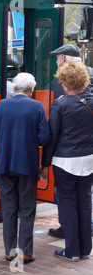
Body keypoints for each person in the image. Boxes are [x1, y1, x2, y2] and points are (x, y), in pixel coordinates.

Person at [0, 73, 50, 263]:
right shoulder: (37, 106)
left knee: (8, 210)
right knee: (27, 208)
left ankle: (9, 251)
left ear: (14, 88)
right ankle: (26, 251)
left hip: (5, 164)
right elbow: (44, 138)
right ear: (31, 89)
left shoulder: (2, 105)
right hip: (27, 165)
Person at [40, 61, 93, 261]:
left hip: (66, 161)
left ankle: (71, 251)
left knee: (68, 204)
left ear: (65, 82)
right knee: (85, 202)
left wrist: (45, 164)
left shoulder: (60, 104)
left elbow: (52, 137)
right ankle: (85, 250)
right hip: (89, 159)